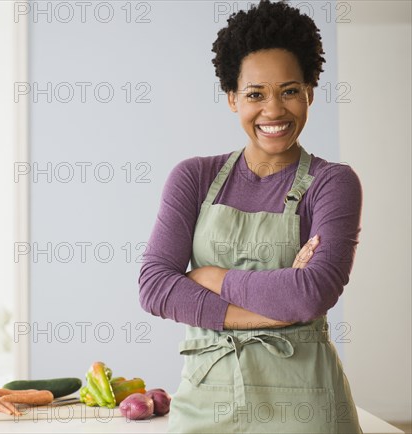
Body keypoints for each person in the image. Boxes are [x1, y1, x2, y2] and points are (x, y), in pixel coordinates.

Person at [138, 1, 363, 432]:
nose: (274, 110)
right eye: (255, 94)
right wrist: (273, 314)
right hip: (206, 400)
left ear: (310, 92)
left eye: (290, 90)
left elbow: (310, 293)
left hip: (306, 405)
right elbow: (155, 288)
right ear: (232, 99)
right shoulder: (194, 177)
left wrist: (211, 277)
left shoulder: (333, 183)